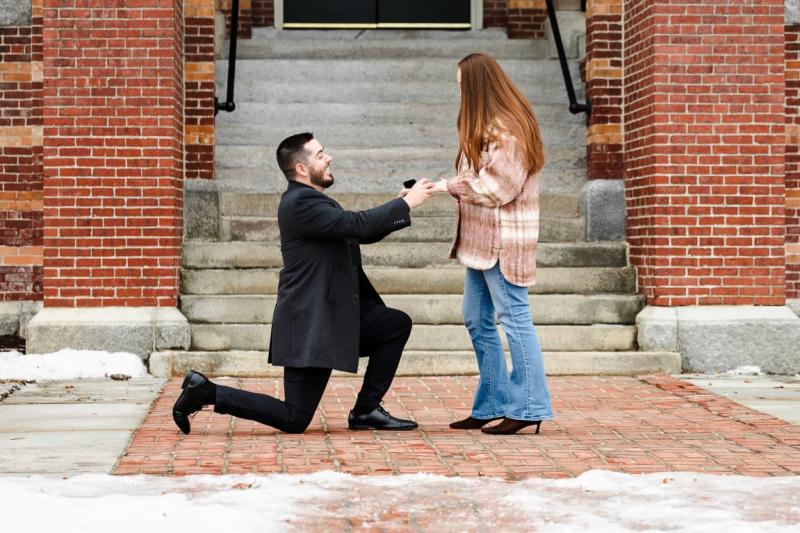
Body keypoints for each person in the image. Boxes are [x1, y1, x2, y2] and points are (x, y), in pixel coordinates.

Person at [173, 132, 437, 434]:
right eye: (320, 154)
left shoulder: (311, 201)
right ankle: (206, 392)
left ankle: (366, 410)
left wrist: (399, 204)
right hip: (310, 324)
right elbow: (358, 225)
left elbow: (357, 231)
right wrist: (406, 206)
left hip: (330, 318)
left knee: (393, 324)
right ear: (301, 168)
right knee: (294, 419)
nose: (329, 158)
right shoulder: (300, 204)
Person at [434, 53, 554, 435]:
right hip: (481, 245)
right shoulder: (489, 126)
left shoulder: (507, 130)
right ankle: (492, 404)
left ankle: (530, 405)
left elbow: (497, 188)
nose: (459, 93)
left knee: (514, 321)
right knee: (476, 318)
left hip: (503, 243)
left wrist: (449, 186)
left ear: (477, 87)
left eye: (461, 86)